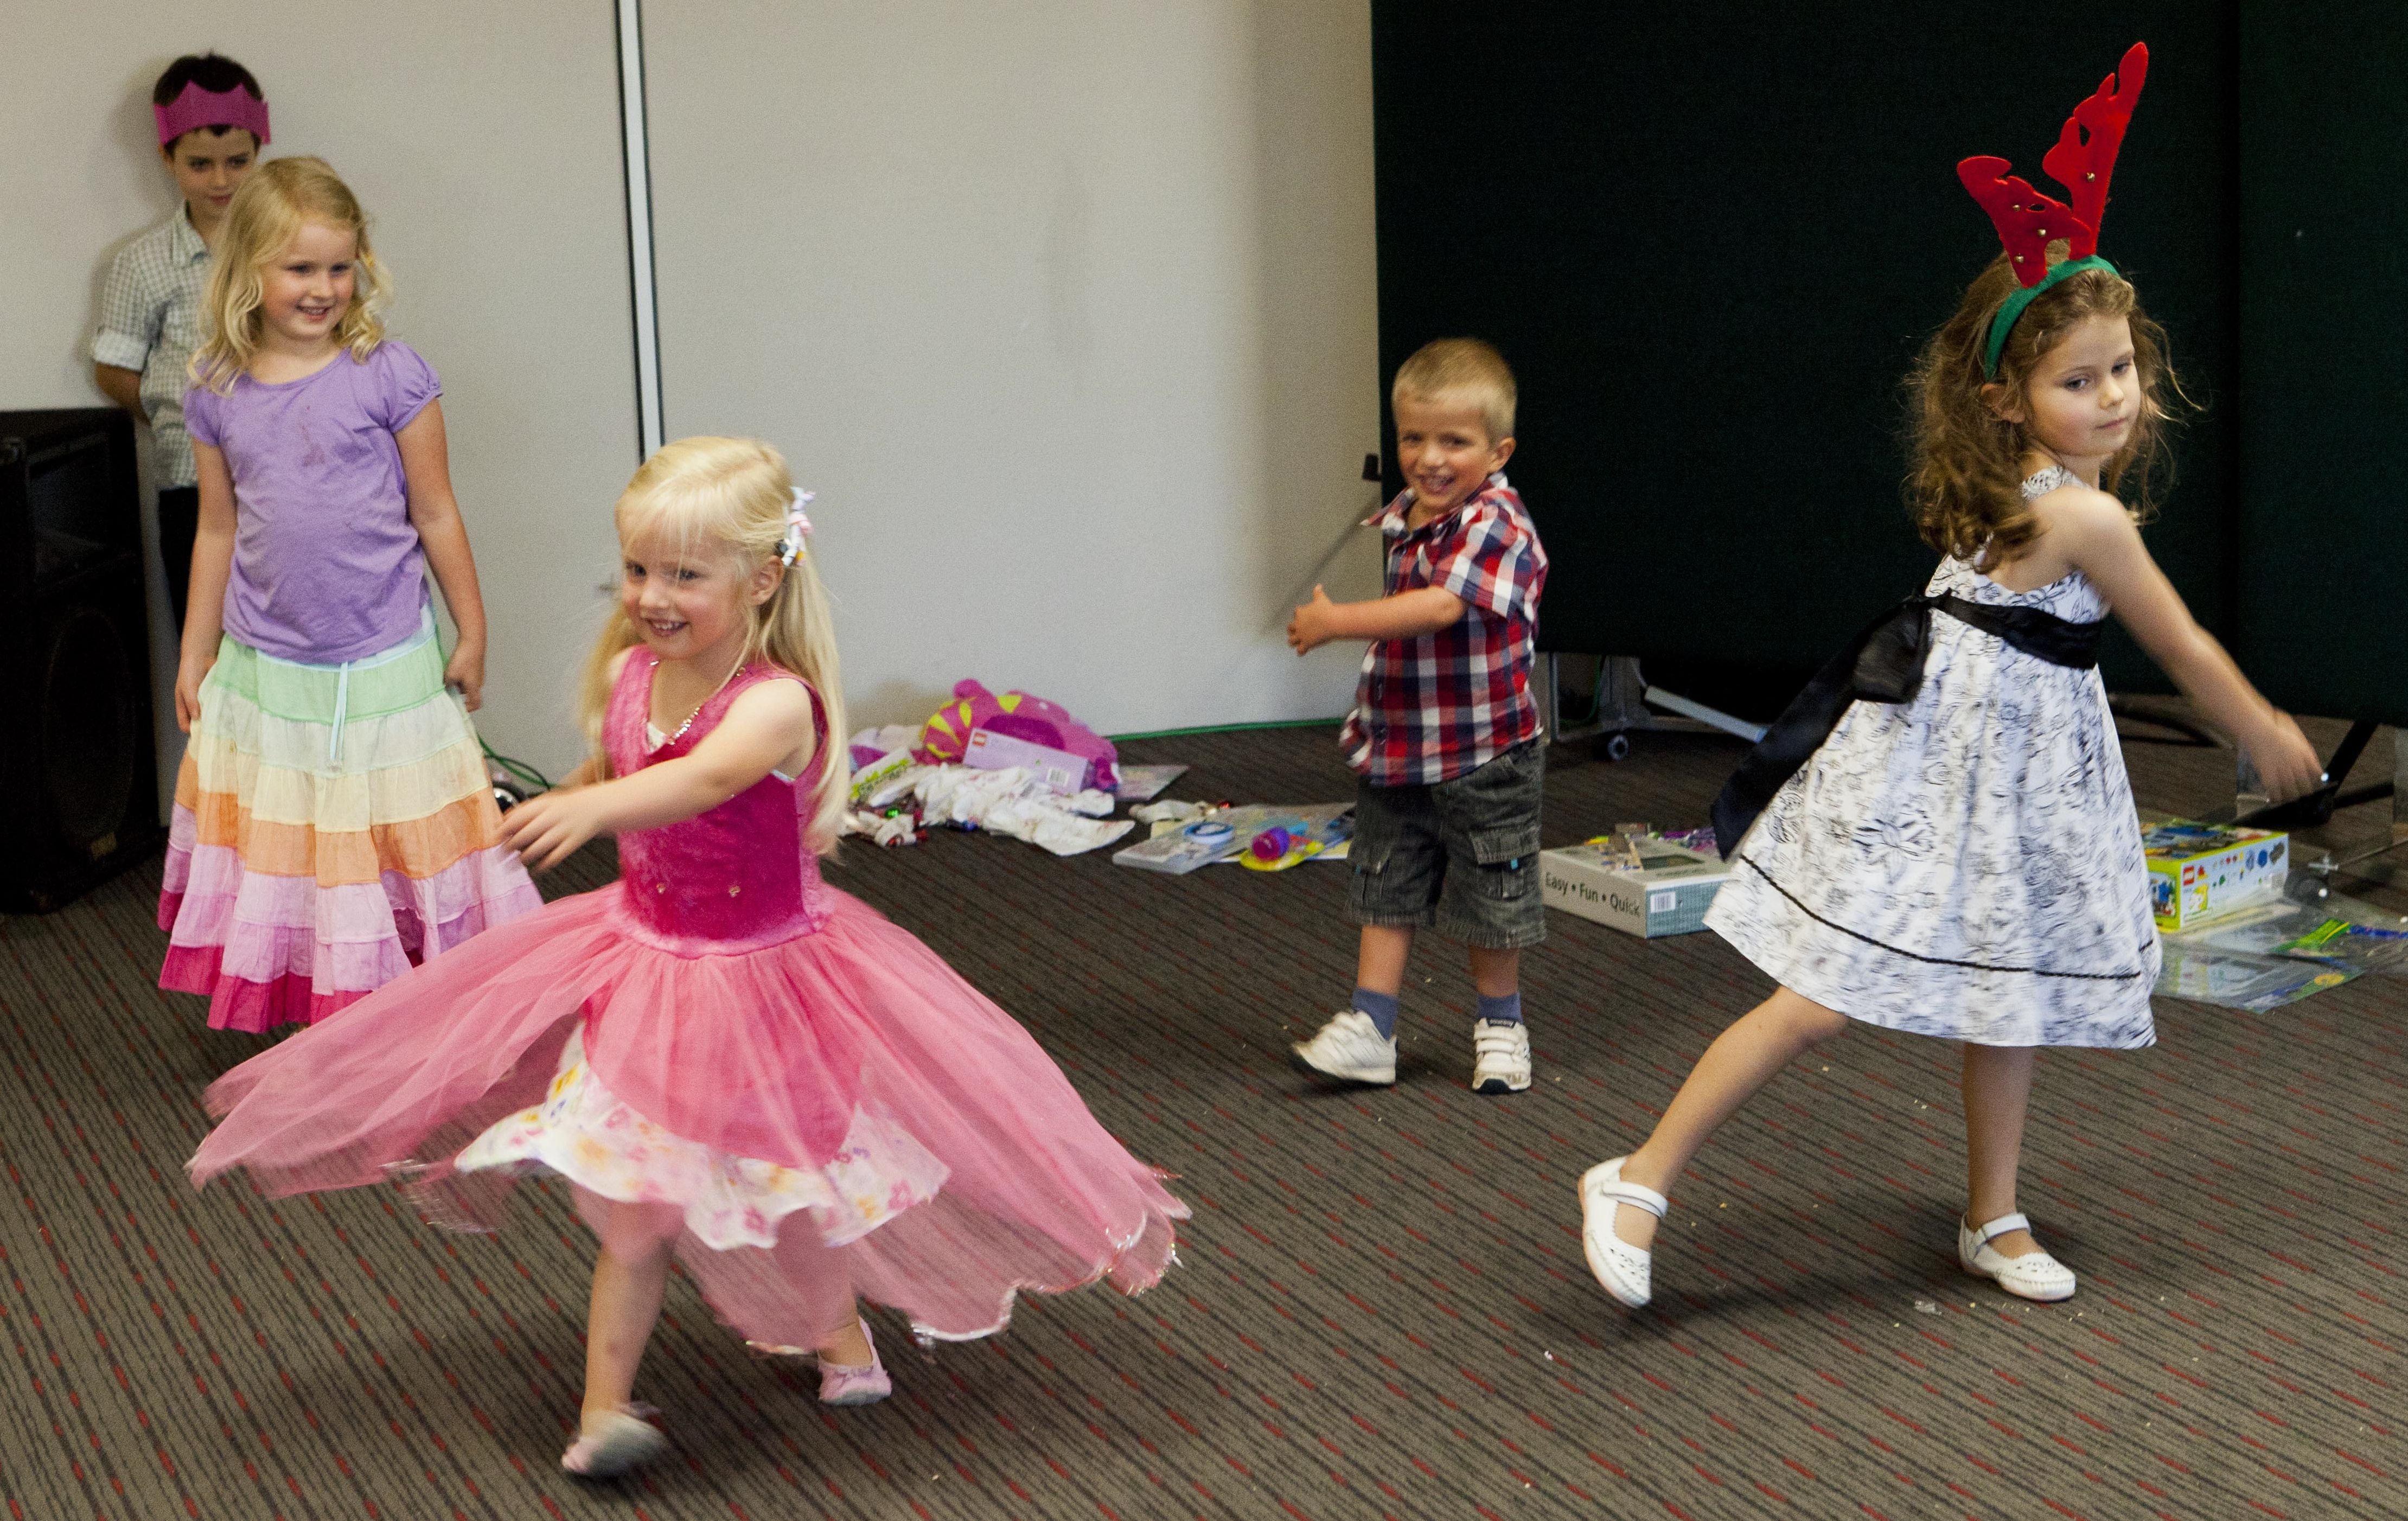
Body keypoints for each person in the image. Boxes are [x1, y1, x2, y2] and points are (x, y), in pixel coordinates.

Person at [188, 437, 1189, 1480]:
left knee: (789, 1181)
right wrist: (561, 793)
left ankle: (839, 1330)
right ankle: (603, 1409)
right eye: (636, 568)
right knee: (637, 1214)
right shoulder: (634, 673)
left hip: (767, 984)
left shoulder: (776, 702)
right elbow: (621, 762)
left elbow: (705, 779)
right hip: (648, 975)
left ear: (760, 579)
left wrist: (594, 809)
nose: (650, 596)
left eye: (682, 574)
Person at [1577, 43, 2323, 1310]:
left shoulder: (2024, 486)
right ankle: (1635, 1176)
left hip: (1995, 767)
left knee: (2006, 990)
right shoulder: (2084, 517)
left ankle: (1992, 1212)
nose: (2111, 398)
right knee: (1823, 993)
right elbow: (2180, 644)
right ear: (2006, 397)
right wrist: (2257, 728)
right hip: (1950, 773)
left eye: (2121, 370)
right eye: (2077, 380)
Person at [159, 157, 538, 1031]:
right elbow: (216, 528)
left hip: (383, 657)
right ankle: (325, 1007)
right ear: (249, 268)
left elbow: (435, 511)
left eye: (339, 267)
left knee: (393, 839)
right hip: (267, 666)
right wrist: (195, 650)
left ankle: (416, 1000)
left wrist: (472, 631)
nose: (324, 288)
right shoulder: (216, 386)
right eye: (300, 268)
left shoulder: (387, 374)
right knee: (296, 846)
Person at [1286, 338, 1551, 1095]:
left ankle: (1500, 1023)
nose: (1429, 459)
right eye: (1412, 438)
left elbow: (1439, 608)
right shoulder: (1406, 515)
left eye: (1453, 442)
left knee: (1492, 891)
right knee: (1386, 881)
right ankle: (1372, 1025)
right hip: (1402, 745)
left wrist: (1338, 622)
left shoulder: (1496, 521)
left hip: (1483, 753)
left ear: (1497, 452)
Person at [93, 52, 270, 629]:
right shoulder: (142, 264)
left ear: (259, 154)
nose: (220, 180)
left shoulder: (288, 251)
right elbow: (114, 370)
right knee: (206, 638)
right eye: (200, 164)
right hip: (192, 484)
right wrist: (182, 415)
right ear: (167, 158)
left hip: (285, 479)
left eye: (237, 162)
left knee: (288, 634)